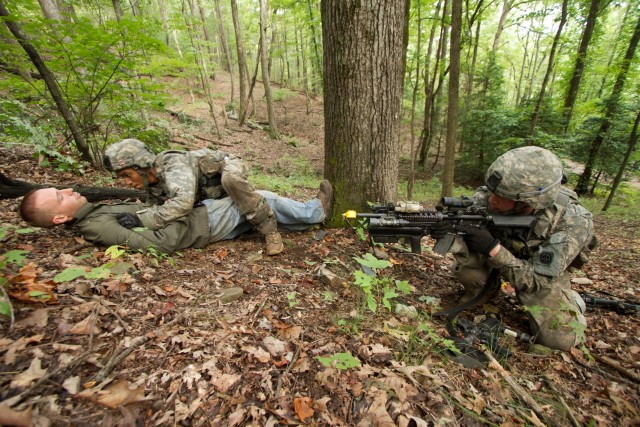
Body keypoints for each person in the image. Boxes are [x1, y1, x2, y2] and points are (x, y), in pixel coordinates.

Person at [431, 146, 596, 351]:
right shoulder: (490, 199)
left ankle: (574, 302)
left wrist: (493, 249)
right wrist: (447, 229)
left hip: (540, 275)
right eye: (493, 192)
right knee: (468, 268)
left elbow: (537, 280)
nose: (492, 200)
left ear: (528, 202)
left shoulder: (572, 221)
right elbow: (465, 223)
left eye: (502, 197)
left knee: (559, 341)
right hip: (504, 259)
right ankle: (484, 294)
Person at [18, 182, 333, 255]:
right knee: (256, 198)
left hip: (197, 218)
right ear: (59, 218)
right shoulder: (97, 225)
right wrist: (184, 214)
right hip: (198, 225)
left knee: (253, 211)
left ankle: (308, 221)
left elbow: (143, 218)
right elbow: (160, 243)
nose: (68, 189)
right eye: (60, 196)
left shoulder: (91, 214)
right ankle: (315, 211)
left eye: (61, 188)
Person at [102, 138, 292, 256]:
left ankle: (270, 232)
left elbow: (183, 202)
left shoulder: (172, 163)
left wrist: (141, 218)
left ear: (141, 166)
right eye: (121, 178)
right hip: (211, 193)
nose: (126, 183)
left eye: (127, 175)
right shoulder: (153, 184)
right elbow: (156, 208)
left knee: (232, 180)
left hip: (228, 167)